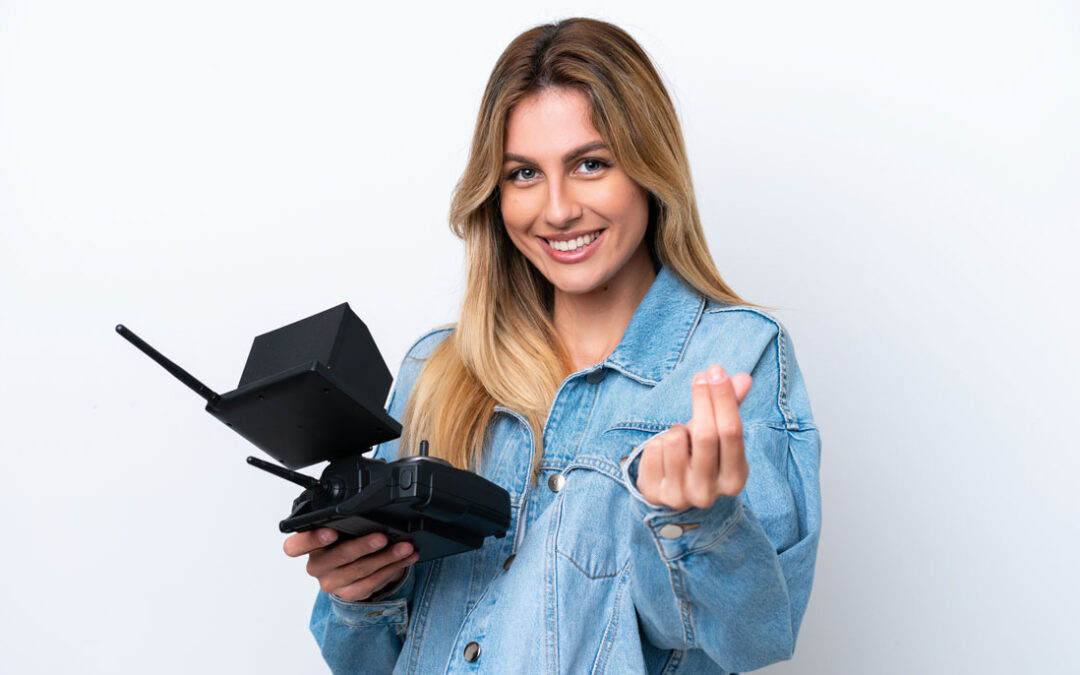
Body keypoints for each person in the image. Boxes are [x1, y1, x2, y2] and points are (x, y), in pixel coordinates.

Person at [283, 17, 821, 674]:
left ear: (651, 171)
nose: (558, 209)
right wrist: (363, 591)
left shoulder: (737, 358)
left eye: (590, 164)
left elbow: (758, 635)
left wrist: (701, 523)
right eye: (524, 174)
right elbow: (363, 662)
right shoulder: (437, 371)